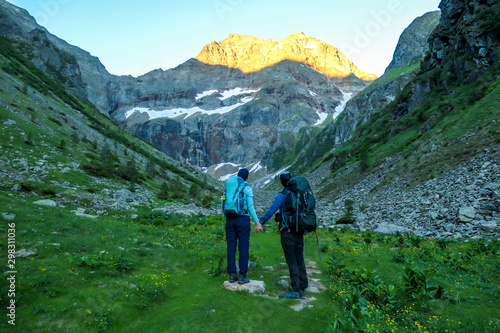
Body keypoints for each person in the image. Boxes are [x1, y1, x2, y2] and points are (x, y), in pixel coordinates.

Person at [255, 171, 308, 299]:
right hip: (299, 230)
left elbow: (271, 210)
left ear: (281, 182)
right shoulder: (300, 193)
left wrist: (260, 222)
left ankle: (294, 290)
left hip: (287, 231)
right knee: (299, 258)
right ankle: (302, 288)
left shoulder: (283, 194)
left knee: (291, 261)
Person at [224, 168, 259, 284]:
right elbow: (250, 206)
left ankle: (232, 274)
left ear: (237, 176)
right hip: (243, 219)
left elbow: (222, 204)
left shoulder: (229, 188)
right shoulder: (246, 187)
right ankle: (242, 276)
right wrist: (257, 221)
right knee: (243, 246)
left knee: (231, 247)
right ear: (247, 177)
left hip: (230, 219)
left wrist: (227, 218)